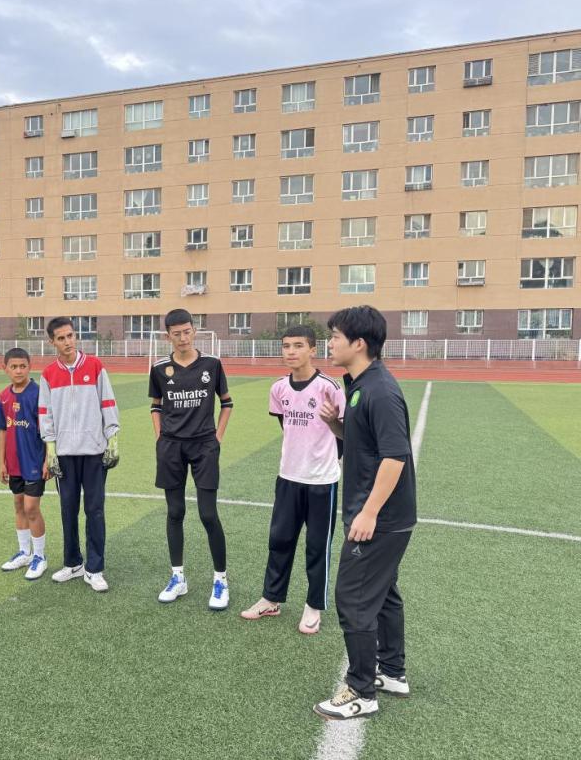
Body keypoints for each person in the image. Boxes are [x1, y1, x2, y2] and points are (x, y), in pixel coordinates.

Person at [312, 306, 416, 721]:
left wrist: (369, 513)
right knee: (384, 593)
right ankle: (391, 672)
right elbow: (368, 443)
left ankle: (360, 691)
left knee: (353, 597)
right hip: (379, 514)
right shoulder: (359, 384)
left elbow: (395, 456)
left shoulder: (380, 390)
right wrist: (336, 425)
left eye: (335, 337)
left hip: (381, 518)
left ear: (358, 344)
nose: (330, 344)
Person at [242, 325, 345, 633]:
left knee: (317, 546)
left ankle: (313, 606)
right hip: (288, 476)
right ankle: (271, 599)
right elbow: (285, 426)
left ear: (312, 350)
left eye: (298, 345)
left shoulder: (329, 387)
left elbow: (344, 433)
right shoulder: (278, 389)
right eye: (286, 346)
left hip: (321, 481)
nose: (291, 351)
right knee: (280, 540)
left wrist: (326, 457)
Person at [148, 309, 233, 610]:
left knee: (208, 514)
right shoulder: (160, 368)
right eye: (176, 333)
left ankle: (221, 580)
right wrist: (160, 437)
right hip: (171, 447)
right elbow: (156, 406)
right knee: (175, 512)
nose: (183, 338)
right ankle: (178, 578)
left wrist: (217, 438)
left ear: (194, 331)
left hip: (204, 446)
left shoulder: (212, 364)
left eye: (187, 332)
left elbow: (227, 403)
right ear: (167, 336)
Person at [39, 317, 120, 592]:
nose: (68, 342)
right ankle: (72, 563)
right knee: (68, 509)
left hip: (94, 451)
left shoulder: (95, 366)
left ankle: (94, 569)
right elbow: (45, 413)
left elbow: (108, 402)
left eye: (70, 336)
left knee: (94, 510)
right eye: (61, 338)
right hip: (64, 454)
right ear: (52, 342)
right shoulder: (48, 374)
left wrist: (112, 438)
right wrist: (50, 448)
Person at [0, 347, 49, 580]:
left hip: (34, 461)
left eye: (22, 366)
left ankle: (40, 556)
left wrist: (48, 460)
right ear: (5, 369)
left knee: (31, 508)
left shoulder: (39, 394)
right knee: (18, 505)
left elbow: (48, 429)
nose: (18, 371)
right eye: (13, 367)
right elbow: (3, 430)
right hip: (14, 463)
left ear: (30, 367)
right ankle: (25, 552)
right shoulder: (3, 396)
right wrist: (2, 463)